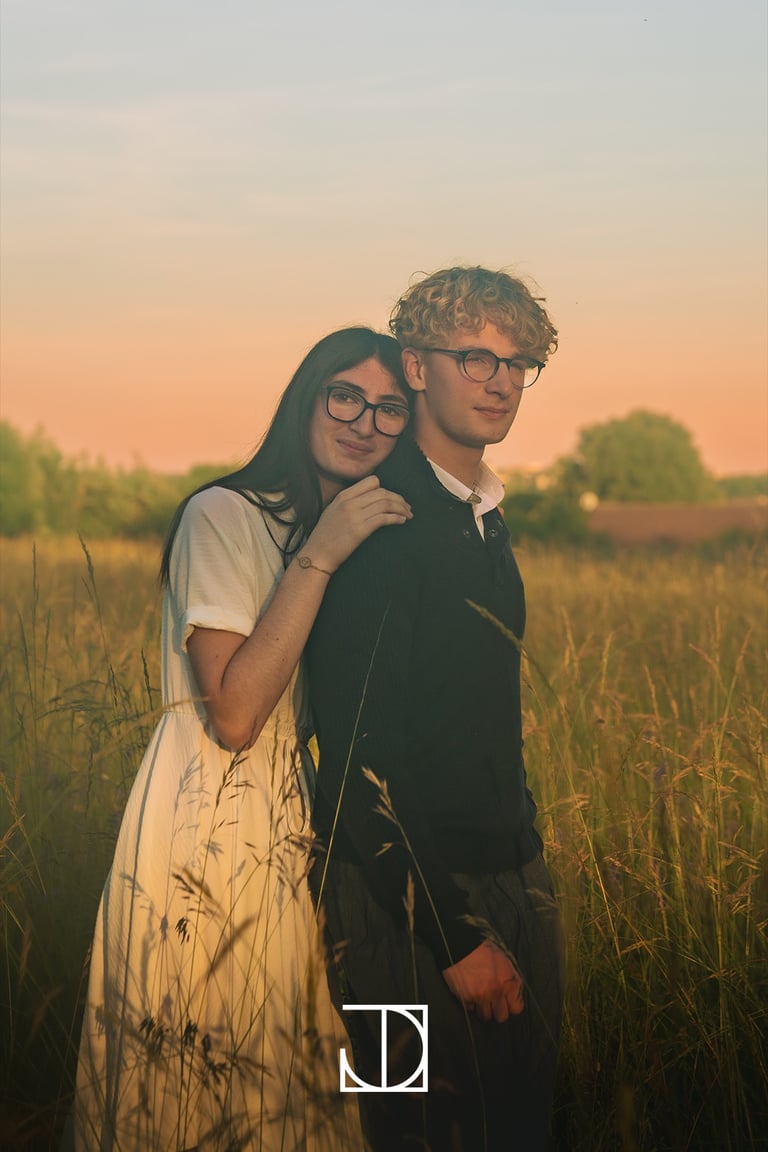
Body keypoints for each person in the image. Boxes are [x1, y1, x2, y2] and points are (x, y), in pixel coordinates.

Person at [71, 327, 412, 1152]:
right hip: (204, 821)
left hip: (288, 819)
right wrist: (323, 555)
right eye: (345, 396)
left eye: (391, 409)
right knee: (203, 1076)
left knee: (297, 1072)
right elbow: (233, 715)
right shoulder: (222, 514)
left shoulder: (335, 527)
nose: (365, 421)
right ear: (306, 400)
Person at [307, 267, 564, 1151]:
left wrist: (523, 871)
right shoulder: (383, 521)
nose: (500, 382)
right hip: (396, 907)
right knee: (403, 1132)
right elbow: (354, 757)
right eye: (476, 358)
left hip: (509, 877)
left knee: (523, 1128)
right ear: (416, 368)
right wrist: (452, 937)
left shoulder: (483, 517)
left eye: (517, 363)